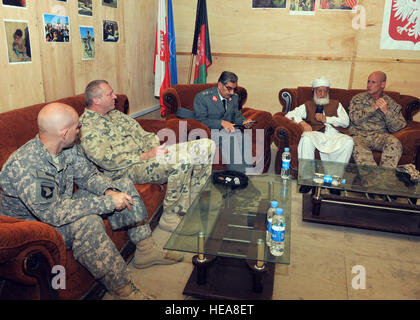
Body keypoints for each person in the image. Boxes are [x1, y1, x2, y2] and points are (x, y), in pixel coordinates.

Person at [0, 103, 184, 300]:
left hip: (61, 205)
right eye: (78, 126)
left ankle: (145, 249)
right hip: (36, 227)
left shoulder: (68, 147)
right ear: (64, 132)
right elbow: (54, 213)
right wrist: (108, 203)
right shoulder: (27, 166)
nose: (81, 130)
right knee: (87, 222)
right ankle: (123, 289)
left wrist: (109, 191)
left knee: (120, 184)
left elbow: (88, 176)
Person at [79, 80, 216, 234]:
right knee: (182, 161)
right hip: (124, 169)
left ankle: (196, 202)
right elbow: (107, 160)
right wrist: (146, 156)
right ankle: (170, 216)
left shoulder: (116, 114)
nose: (115, 96)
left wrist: (155, 150)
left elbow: (145, 135)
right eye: (110, 94)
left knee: (206, 145)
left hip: (148, 157)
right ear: (96, 100)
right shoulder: (86, 126)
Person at [285, 76, 354, 193]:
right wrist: (302, 123)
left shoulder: (336, 104)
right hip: (318, 134)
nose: (322, 94)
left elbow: (345, 121)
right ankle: (307, 180)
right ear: (314, 91)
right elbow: (289, 114)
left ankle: (334, 181)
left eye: (325, 91)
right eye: (319, 91)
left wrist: (327, 119)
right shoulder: (307, 105)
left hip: (335, 135)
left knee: (349, 141)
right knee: (306, 137)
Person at [193, 71, 259, 174]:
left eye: (234, 89)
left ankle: (249, 173)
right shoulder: (203, 98)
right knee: (229, 138)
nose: (232, 92)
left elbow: (236, 116)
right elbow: (200, 121)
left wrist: (244, 121)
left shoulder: (234, 98)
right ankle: (237, 175)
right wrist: (221, 123)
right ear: (220, 85)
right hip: (209, 133)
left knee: (244, 138)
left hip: (228, 130)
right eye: (229, 88)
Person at [348, 71, 406, 168]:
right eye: (368, 82)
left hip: (379, 136)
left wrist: (387, 112)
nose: (369, 85)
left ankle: (384, 178)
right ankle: (372, 180)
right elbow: (354, 119)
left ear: (382, 84)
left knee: (394, 143)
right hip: (359, 135)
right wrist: (373, 108)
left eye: (373, 82)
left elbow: (398, 127)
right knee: (359, 148)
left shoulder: (390, 103)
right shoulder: (358, 99)